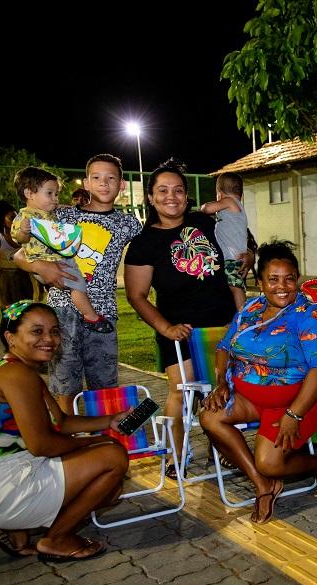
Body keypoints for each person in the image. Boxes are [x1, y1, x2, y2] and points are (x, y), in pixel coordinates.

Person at [0, 300, 129, 561]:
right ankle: (57, 539)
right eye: (37, 332)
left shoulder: (13, 368)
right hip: (3, 489)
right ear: (10, 337)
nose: (49, 339)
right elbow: (42, 445)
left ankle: (19, 533)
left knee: (111, 484)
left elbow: (60, 422)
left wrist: (109, 422)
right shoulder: (18, 376)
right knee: (114, 457)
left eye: (54, 331)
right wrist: (96, 444)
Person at [199, 241, 317, 523]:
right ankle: (263, 485)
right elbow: (225, 346)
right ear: (260, 282)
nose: (282, 286)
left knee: (269, 462)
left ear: (298, 279)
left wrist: (293, 414)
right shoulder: (251, 307)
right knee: (209, 417)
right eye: (273, 279)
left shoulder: (310, 316)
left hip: (297, 400)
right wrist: (221, 383)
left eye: (289, 278)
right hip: (251, 397)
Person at [124, 159, 236, 470]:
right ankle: (176, 455)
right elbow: (137, 295)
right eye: (162, 190)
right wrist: (166, 327)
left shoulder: (205, 223)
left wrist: (249, 254)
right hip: (181, 331)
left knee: (222, 388)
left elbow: (238, 244)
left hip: (223, 325)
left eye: (178, 190)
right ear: (150, 197)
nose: (171, 196)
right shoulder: (144, 243)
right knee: (182, 392)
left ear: (186, 195)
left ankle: (227, 448)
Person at [17, 154, 142, 414]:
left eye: (111, 178)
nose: (103, 184)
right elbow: (19, 254)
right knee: (65, 387)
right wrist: (41, 267)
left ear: (121, 185)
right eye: (96, 178)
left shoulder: (128, 223)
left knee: (104, 387)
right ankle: (69, 441)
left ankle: (105, 443)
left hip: (102, 314)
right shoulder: (60, 215)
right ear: (86, 183)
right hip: (61, 314)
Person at [12, 167, 112, 334]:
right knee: (78, 284)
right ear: (29, 194)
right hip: (47, 260)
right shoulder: (25, 217)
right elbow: (20, 240)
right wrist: (24, 231)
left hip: (58, 259)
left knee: (77, 283)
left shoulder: (49, 213)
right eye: (50, 194)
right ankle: (91, 316)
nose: (55, 198)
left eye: (56, 194)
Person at [201, 172, 254, 310]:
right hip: (235, 256)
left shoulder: (229, 202)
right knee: (233, 285)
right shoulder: (235, 210)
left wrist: (203, 207)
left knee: (235, 286)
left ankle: (243, 316)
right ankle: (238, 315)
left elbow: (207, 209)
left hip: (231, 257)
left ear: (220, 193)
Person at [0, 200, 33, 311]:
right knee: (11, 315)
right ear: (2, 221)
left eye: (17, 217)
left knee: (26, 313)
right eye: (11, 218)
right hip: (6, 282)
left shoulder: (23, 237)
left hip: (25, 279)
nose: (16, 221)